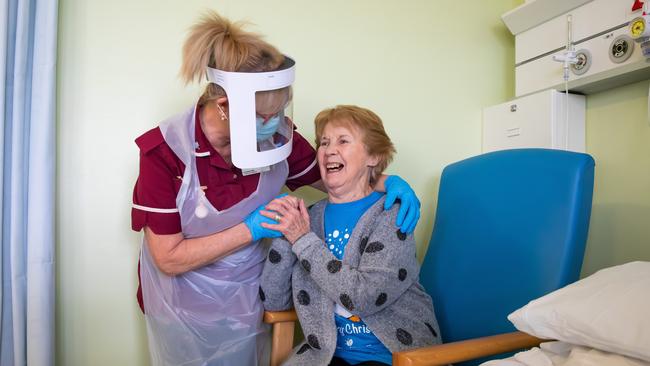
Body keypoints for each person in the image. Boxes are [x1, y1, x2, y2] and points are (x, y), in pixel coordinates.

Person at [131, 11, 422, 366]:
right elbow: (168, 258)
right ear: (226, 107)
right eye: (266, 117)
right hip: (181, 305)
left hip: (245, 301)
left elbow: (341, 176)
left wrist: (390, 181)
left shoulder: (278, 138)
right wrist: (251, 228)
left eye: (281, 110)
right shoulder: (166, 154)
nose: (278, 124)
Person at [259, 105, 441, 366]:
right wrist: (284, 233)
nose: (329, 150)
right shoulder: (308, 218)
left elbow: (363, 297)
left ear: (374, 156)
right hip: (327, 355)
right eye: (324, 142)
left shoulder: (392, 214)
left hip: (393, 355)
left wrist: (301, 239)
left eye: (343, 140)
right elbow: (274, 302)